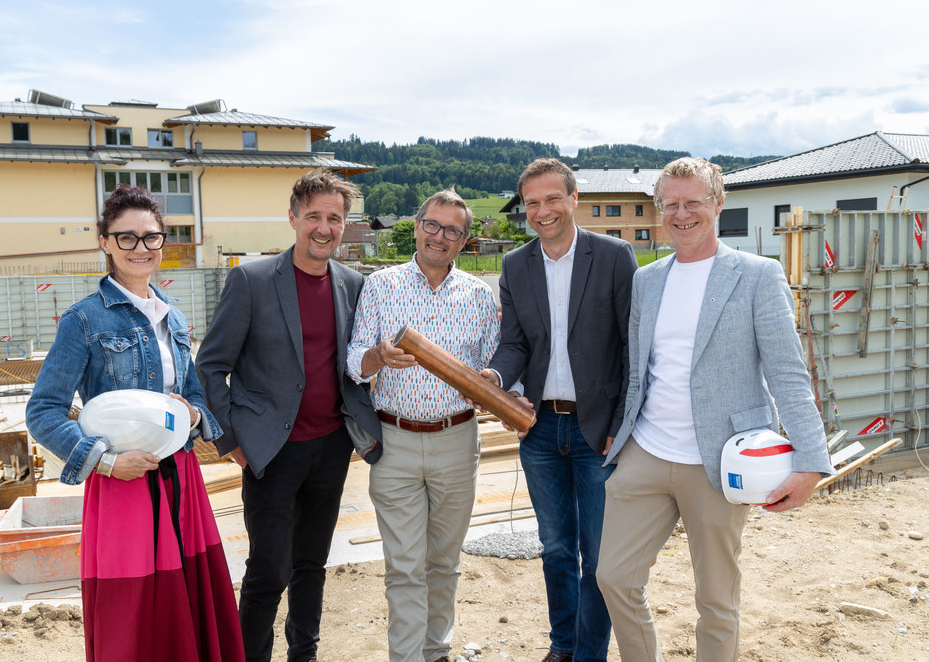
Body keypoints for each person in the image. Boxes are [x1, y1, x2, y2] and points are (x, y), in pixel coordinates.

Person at [597, 157, 834, 661]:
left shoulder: (757, 276)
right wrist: (619, 434)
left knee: (716, 598)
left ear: (718, 204)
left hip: (722, 460)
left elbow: (787, 373)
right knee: (613, 577)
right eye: (671, 204)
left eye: (694, 202)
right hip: (646, 451)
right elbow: (640, 370)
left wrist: (811, 462)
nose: (682, 214)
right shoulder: (648, 279)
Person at [26, 184, 243, 662]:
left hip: (180, 478)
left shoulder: (174, 318)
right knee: (135, 609)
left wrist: (193, 413)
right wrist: (104, 462)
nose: (141, 248)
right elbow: (42, 411)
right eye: (127, 238)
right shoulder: (83, 320)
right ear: (105, 243)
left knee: (187, 596)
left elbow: (193, 396)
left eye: (151, 237)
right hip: (123, 480)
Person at [195, 169, 382, 662]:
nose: (325, 228)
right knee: (267, 571)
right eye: (315, 217)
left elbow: (353, 362)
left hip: (331, 446)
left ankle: (305, 653)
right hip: (270, 451)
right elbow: (211, 366)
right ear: (294, 219)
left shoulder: (353, 284)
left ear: (345, 224)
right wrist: (230, 439)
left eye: (335, 219)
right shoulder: (252, 280)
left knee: (312, 564)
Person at [480, 158, 636, 662]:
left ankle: (590, 652)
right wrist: (497, 378)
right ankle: (563, 645)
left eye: (552, 199)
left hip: (599, 433)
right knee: (556, 549)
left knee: (599, 557)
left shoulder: (615, 256)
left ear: (573, 199)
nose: (542, 211)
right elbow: (515, 344)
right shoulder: (515, 265)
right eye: (532, 203)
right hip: (540, 430)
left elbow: (634, 348)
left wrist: (620, 425)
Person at [346, 189, 500, 662]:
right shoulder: (381, 285)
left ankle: (437, 651)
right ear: (416, 226)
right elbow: (355, 361)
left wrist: (494, 379)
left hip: (458, 439)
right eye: (433, 225)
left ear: (465, 240)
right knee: (405, 566)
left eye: (453, 230)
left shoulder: (479, 295)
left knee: (444, 561)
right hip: (394, 443)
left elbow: (495, 365)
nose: (440, 236)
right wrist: (378, 357)